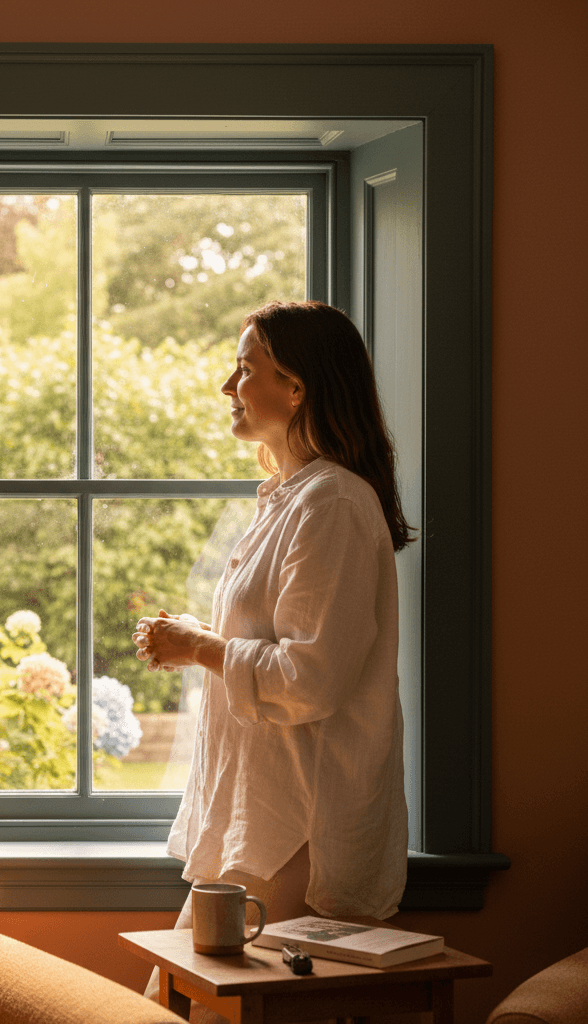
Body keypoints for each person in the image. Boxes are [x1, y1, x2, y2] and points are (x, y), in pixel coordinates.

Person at [134, 301, 414, 1016]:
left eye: (246, 368)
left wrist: (199, 647)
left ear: (297, 388)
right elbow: (278, 644)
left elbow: (310, 680)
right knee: (171, 1005)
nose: (229, 387)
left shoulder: (334, 507)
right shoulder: (290, 500)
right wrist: (199, 638)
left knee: (185, 1009)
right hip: (261, 820)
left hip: (300, 833)